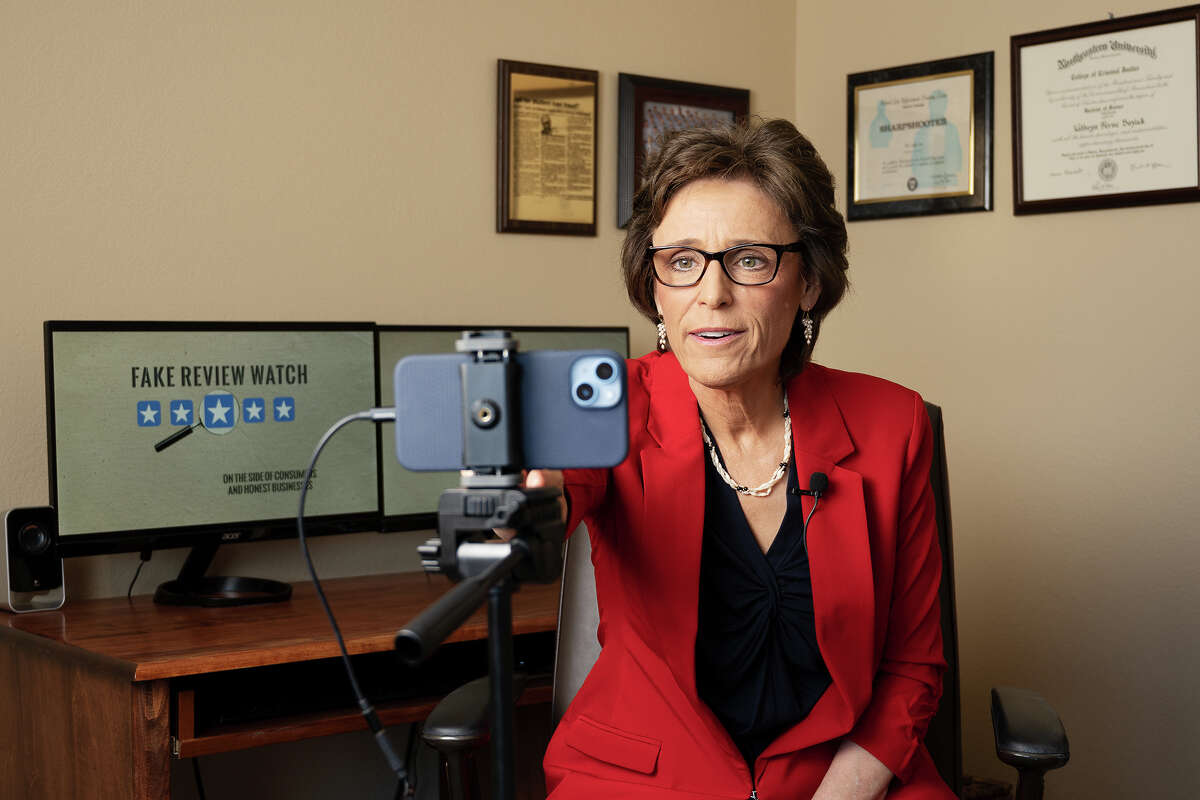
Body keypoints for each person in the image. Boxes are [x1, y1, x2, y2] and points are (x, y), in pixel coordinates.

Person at [525, 119, 952, 799]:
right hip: (647, 776)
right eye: (683, 260)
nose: (711, 294)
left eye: (749, 259)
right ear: (654, 286)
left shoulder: (889, 424)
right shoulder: (607, 406)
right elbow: (552, 492)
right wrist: (523, 502)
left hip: (840, 775)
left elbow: (914, 664)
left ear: (807, 283)